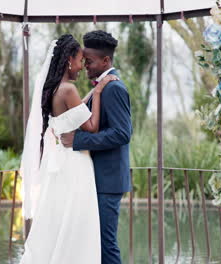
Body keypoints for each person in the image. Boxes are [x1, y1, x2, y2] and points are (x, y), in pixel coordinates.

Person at [19, 34, 118, 264]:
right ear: (68, 61)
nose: (82, 65)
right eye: (79, 60)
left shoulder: (55, 89)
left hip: (61, 160)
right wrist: (100, 92)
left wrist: (93, 92)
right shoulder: (69, 90)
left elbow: (74, 112)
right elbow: (91, 126)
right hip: (75, 163)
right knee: (78, 221)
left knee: (61, 217)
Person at [61, 30, 133, 264]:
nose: (85, 66)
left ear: (106, 61)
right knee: (95, 242)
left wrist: (78, 141)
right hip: (97, 178)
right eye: (83, 60)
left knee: (105, 243)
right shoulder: (102, 87)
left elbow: (122, 134)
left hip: (108, 180)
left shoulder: (114, 88)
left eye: (89, 61)